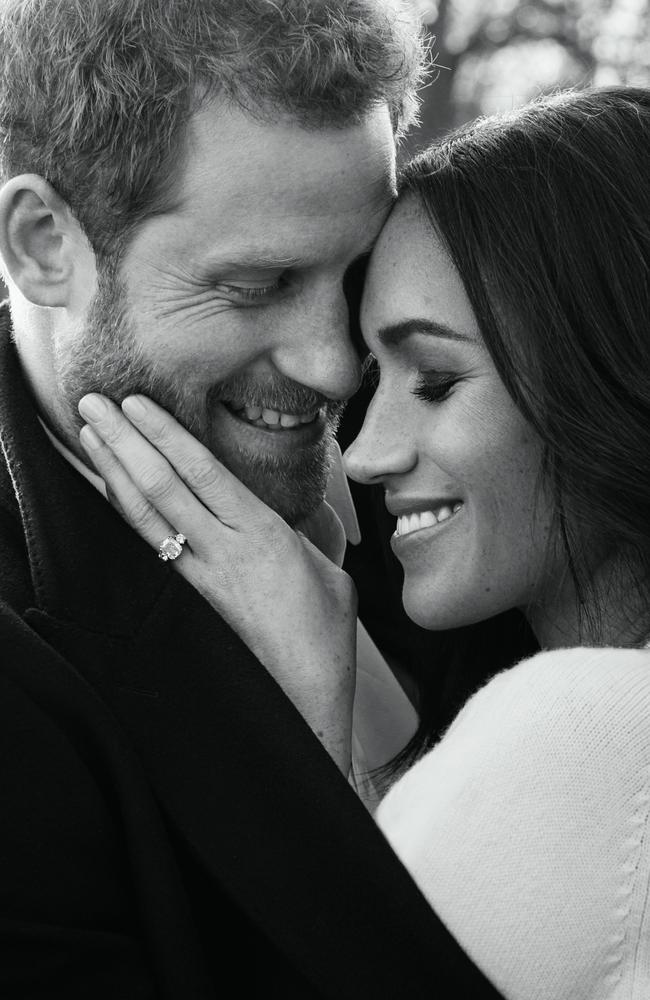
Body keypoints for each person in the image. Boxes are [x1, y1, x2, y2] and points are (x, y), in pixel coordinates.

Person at [85, 85, 650, 999]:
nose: (364, 454)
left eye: (433, 380)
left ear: (608, 373)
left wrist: (313, 710)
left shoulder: (581, 729)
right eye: (373, 373)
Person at [0, 1, 507, 997]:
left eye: (352, 271)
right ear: (44, 245)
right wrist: (307, 767)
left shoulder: (464, 435)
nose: (332, 366)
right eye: (258, 284)